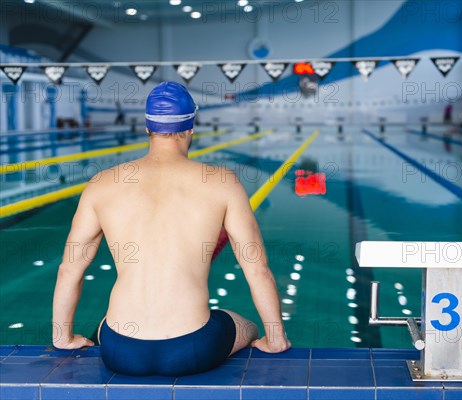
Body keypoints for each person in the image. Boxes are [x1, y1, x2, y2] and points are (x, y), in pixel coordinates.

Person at [52, 81, 291, 376]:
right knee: (246, 325)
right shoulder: (221, 182)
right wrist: (275, 338)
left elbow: (68, 270)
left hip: (119, 349)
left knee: (103, 324)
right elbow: (257, 270)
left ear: (148, 127)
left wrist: (62, 337)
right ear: (191, 127)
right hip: (193, 348)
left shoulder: (102, 184)